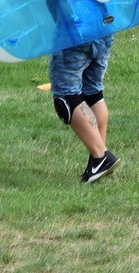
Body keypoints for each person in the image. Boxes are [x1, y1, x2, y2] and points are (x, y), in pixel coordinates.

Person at [49, 37, 120, 184]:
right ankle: (97, 162)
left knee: (66, 97)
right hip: (103, 33)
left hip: (74, 36)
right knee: (92, 93)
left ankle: (101, 156)